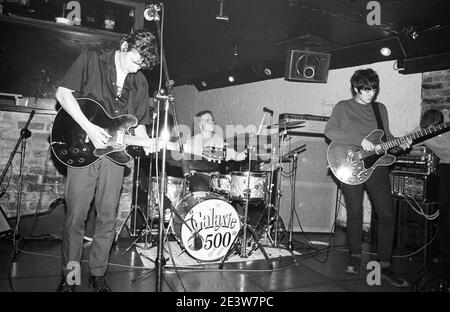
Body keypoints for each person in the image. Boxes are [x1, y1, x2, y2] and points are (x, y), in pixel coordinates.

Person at [55, 30, 159, 292]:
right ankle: (71, 277)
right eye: (135, 61)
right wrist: (89, 127)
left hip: (114, 155)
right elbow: (63, 94)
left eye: (142, 66)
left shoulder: (141, 82)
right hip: (81, 147)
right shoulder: (91, 59)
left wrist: (148, 142)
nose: (137, 69)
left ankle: (98, 273)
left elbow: (139, 126)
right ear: (125, 45)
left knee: (107, 218)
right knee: (76, 217)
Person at [325, 68, 410, 288]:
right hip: (349, 163)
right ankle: (355, 254)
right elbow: (330, 131)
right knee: (354, 213)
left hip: (378, 165)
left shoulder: (379, 108)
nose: (370, 93)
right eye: (365, 89)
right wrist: (359, 139)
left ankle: (385, 264)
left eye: (373, 89)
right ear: (355, 88)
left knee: (387, 214)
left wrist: (400, 144)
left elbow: (386, 138)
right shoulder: (343, 107)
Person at [415, 109, 450, 263]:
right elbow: (405, 141)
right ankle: (445, 254)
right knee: (445, 210)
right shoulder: (422, 130)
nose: (428, 133)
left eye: (432, 130)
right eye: (426, 130)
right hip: (447, 166)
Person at [183, 110, 247, 192]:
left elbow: (237, 156)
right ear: (199, 125)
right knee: (200, 187)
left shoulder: (219, 141)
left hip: (215, 182)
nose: (211, 122)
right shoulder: (191, 142)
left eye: (212, 120)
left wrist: (247, 151)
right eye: (207, 120)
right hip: (197, 180)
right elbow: (183, 159)